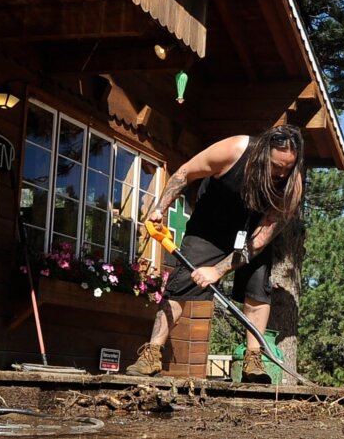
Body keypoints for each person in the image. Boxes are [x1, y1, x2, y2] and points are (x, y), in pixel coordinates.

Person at [125, 126, 305, 383]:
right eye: (277, 166)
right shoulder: (234, 150)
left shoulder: (292, 187)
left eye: (288, 167)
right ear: (264, 152)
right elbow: (185, 173)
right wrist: (160, 208)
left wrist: (218, 270)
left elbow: (259, 241)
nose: (281, 173)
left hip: (251, 235)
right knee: (180, 285)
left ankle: (253, 361)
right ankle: (152, 353)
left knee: (257, 289)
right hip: (209, 228)